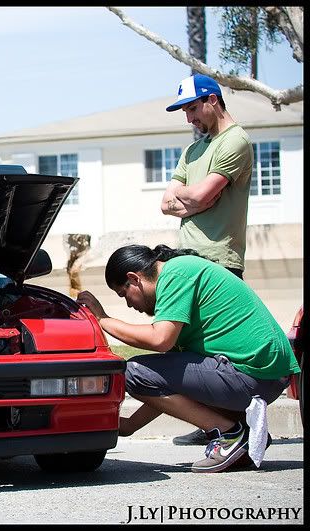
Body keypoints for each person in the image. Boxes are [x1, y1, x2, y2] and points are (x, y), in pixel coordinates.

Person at [76, 244, 299, 473]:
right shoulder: (181, 280)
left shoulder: (175, 273)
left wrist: (103, 319)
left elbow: (159, 339)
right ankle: (245, 437)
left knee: (131, 371)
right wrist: (130, 425)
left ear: (134, 279)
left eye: (124, 294)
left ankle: (229, 435)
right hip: (263, 376)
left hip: (252, 374)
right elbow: (165, 386)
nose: (129, 304)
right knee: (150, 372)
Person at [160, 73, 254, 446]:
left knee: (222, 349)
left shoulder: (236, 142)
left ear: (213, 100)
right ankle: (212, 423)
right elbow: (167, 203)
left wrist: (189, 198)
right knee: (193, 347)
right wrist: (190, 196)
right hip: (187, 258)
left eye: (193, 108)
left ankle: (238, 426)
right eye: (185, 110)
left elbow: (195, 200)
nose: (189, 118)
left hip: (220, 259)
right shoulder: (193, 150)